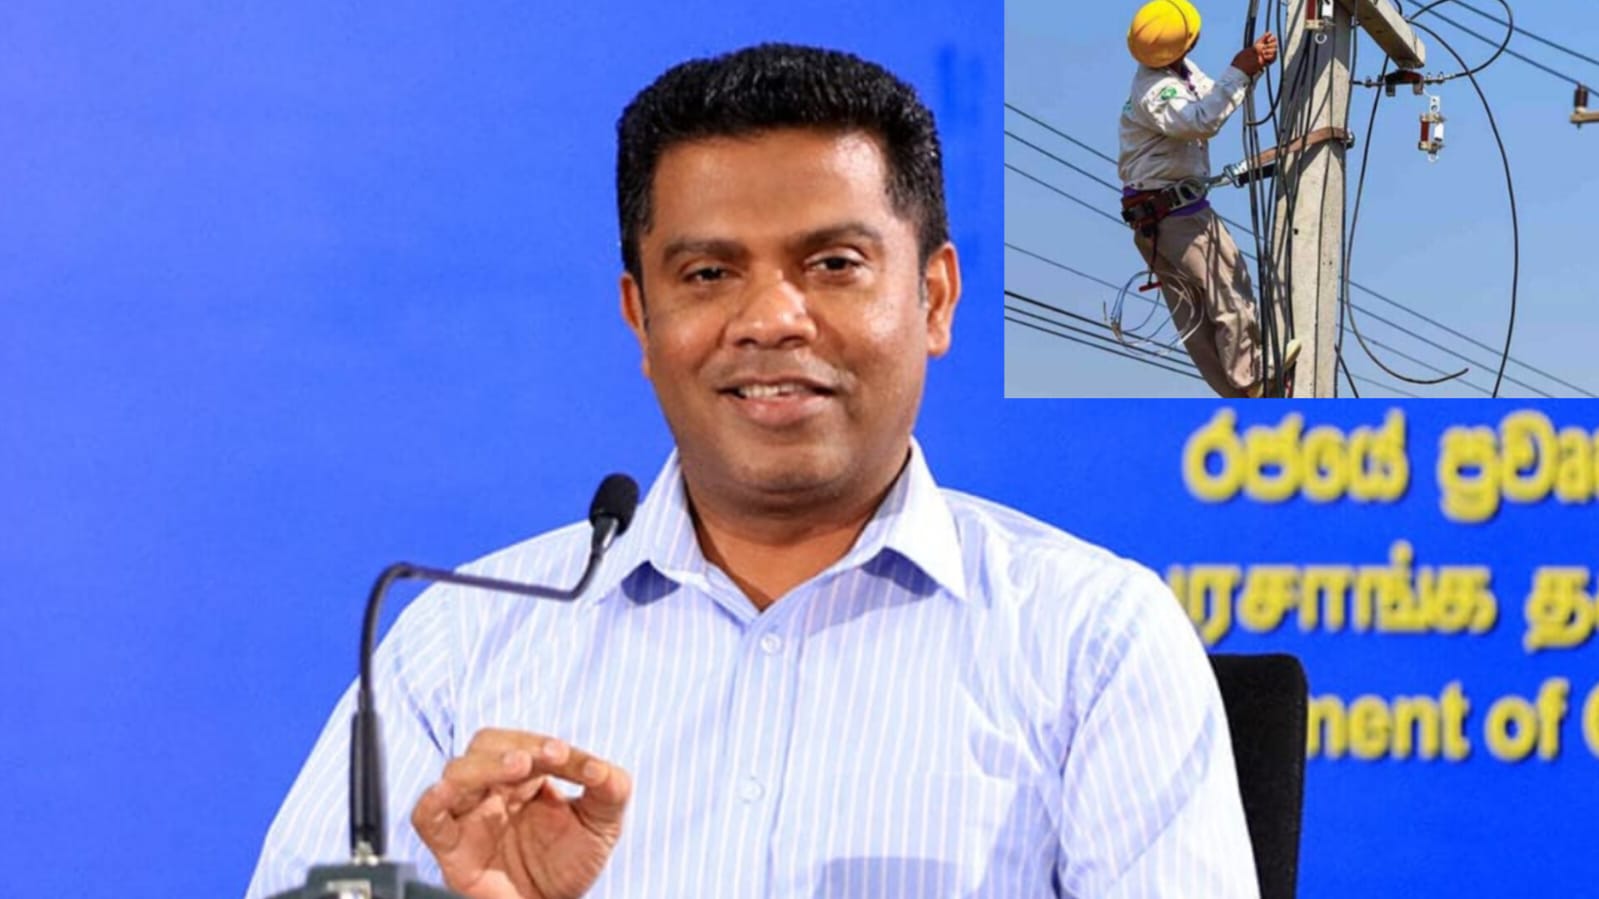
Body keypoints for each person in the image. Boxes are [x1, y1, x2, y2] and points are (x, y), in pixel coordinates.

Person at [247, 42, 1258, 898]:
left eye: (833, 264)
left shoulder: (1093, 643)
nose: (771, 319)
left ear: (935, 298)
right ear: (641, 318)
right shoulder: (460, 649)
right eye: (708, 273)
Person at [1120, 0, 1301, 398]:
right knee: (1228, 288)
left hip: (1159, 214)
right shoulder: (1157, 90)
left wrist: (1249, 68)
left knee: (1197, 313)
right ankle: (1252, 378)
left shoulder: (1175, 72)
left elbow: (1210, 97)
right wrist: (1240, 70)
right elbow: (1201, 120)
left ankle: (1242, 393)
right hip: (1176, 214)